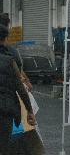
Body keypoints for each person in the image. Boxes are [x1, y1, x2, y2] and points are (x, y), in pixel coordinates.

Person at [0, 25, 36, 155]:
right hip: (6, 108)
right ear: (6, 37)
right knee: (4, 145)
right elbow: (20, 88)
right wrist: (29, 111)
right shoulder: (11, 58)